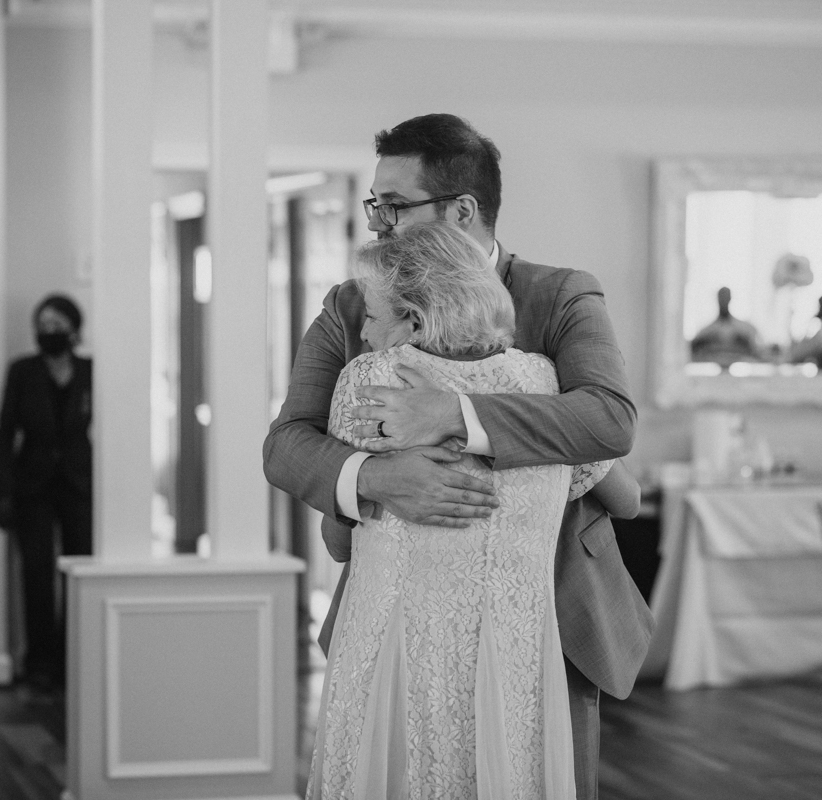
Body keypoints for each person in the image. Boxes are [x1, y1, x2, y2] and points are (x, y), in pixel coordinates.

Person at [263, 113, 652, 798]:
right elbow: (288, 441)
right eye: (374, 203)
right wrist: (380, 476)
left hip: (548, 617)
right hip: (397, 618)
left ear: (462, 209)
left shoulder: (558, 294)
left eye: (395, 205)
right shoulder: (356, 302)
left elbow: (609, 418)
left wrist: (453, 414)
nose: (378, 221)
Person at [0, 293, 93, 692]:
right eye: (42, 324)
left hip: (79, 485)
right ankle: (39, 661)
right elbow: (4, 434)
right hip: (31, 486)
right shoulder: (22, 371)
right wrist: (1, 493)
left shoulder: (90, 371)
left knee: (78, 569)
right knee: (35, 572)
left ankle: (75, 657)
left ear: (73, 329)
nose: (48, 331)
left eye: (56, 324)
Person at [689, 286, 765, 366]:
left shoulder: (746, 329)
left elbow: (757, 350)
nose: (723, 300)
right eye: (721, 297)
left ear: (730, 299)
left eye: (726, 297)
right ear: (717, 299)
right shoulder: (706, 331)